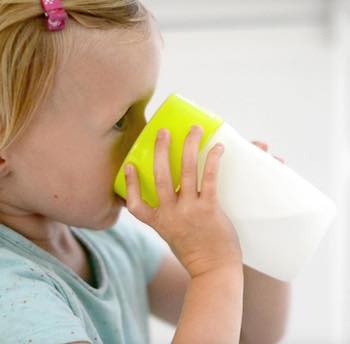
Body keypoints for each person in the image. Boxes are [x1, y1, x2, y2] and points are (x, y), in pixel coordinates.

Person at [0, 1, 290, 343]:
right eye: (121, 120)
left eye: (145, 111)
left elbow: (250, 332)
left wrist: (250, 226)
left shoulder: (106, 240)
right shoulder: (11, 296)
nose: (147, 137)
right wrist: (213, 268)